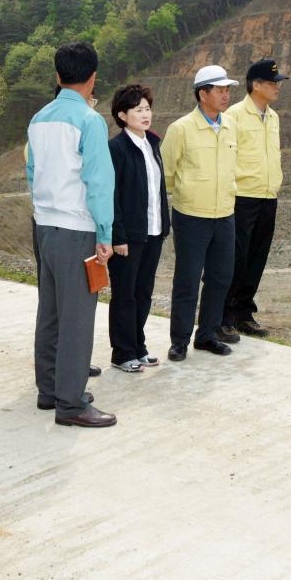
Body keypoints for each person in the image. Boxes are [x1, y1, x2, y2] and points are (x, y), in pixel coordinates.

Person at [27, 43, 116, 427]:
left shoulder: (39, 118)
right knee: (78, 316)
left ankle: (50, 389)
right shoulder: (89, 121)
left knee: (50, 311)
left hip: (44, 225)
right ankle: (71, 402)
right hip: (76, 227)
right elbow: (98, 182)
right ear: (93, 77)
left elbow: (31, 172)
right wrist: (105, 232)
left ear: (58, 76)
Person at [160, 65, 240, 362]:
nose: (226, 95)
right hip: (191, 216)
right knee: (187, 280)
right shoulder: (181, 129)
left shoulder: (231, 126)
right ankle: (179, 340)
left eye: (227, 90)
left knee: (220, 278)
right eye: (219, 90)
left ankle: (206, 334)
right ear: (202, 93)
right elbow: (166, 175)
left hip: (224, 214)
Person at [106, 84, 170, 372]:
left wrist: (164, 225)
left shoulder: (153, 143)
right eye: (138, 109)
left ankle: (138, 345)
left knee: (144, 292)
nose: (146, 114)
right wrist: (117, 235)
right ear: (122, 115)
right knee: (125, 294)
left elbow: (158, 189)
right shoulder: (116, 148)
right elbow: (112, 195)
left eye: (147, 108)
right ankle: (122, 353)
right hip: (128, 237)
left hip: (152, 231)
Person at [222, 59, 288, 338]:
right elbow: (227, 157)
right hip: (242, 197)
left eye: (277, 83)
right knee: (235, 258)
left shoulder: (273, 117)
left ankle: (243, 313)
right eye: (272, 83)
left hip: (267, 196)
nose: (277, 88)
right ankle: (222, 314)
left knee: (257, 257)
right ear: (256, 85)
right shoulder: (234, 115)